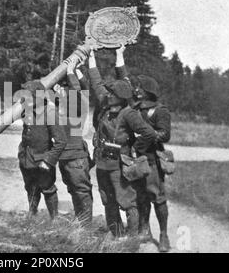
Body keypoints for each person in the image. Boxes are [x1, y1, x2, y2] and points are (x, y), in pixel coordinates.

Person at [84, 48, 157, 237]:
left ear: (120, 97)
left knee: (127, 202)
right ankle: (116, 236)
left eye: (112, 93)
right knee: (108, 201)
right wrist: (91, 57)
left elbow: (148, 133)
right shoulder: (105, 104)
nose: (107, 94)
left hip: (119, 166)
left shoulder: (129, 114)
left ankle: (131, 240)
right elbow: (96, 82)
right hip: (102, 164)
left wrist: (134, 148)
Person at [132, 74, 172, 252]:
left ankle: (163, 234)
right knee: (141, 196)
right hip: (136, 158)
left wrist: (146, 136)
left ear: (148, 91)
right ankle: (144, 230)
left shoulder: (160, 110)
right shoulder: (135, 109)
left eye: (140, 87)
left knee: (157, 197)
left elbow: (165, 134)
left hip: (153, 159)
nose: (136, 90)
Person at [53, 62, 94, 227]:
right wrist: (74, 71)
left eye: (65, 88)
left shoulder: (79, 107)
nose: (62, 91)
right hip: (65, 156)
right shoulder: (61, 107)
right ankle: (80, 220)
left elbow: (80, 90)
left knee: (81, 191)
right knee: (74, 190)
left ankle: (86, 226)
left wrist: (71, 72)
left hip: (76, 156)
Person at [18, 95, 67, 219]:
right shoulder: (27, 109)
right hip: (26, 158)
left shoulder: (49, 112)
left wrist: (49, 161)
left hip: (42, 160)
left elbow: (61, 141)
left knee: (48, 189)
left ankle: (54, 219)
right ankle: (32, 214)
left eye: (30, 95)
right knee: (30, 187)